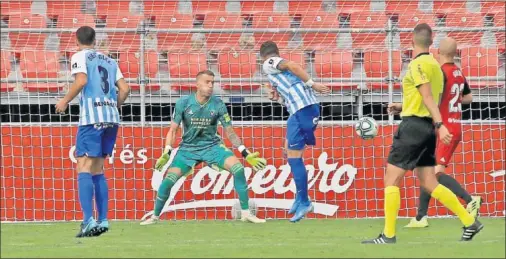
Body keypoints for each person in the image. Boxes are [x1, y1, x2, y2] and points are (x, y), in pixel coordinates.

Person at [361, 24, 483, 244]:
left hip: (415, 128)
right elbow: (429, 98)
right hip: (426, 129)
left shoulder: (417, 65)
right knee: (429, 182)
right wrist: (403, 107)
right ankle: (469, 221)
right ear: (430, 43)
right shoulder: (436, 67)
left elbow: (427, 97)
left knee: (391, 179)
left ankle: (388, 235)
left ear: (411, 42)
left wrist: (440, 124)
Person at [140, 70, 267, 225]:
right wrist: (167, 151)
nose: (211, 85)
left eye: (212, 82)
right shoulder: (184, 103)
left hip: (212, 147)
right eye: (207, 82)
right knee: (168, 182)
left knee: (239, 169)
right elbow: (173, 130)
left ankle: (246, 213)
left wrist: (245, 152)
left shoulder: (218, 103)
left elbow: (230, 132)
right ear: (197, 84)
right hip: (188, 150)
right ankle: (155, 216)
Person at [55, 26, 130, 237]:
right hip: (111, 119)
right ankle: (103, 220)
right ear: (95, 40)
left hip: (92, 119)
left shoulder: (79, 56)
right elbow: (125, 89)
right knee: (98, 169)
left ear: (77, 40)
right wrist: (114, 106)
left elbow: (81, 80)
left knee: (83, 167)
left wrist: (65, 100)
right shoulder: (110, 60)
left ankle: (88, 220)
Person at [404, 37, 482, 228]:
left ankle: (469, 199)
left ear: (438, 52)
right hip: (455, 127)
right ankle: (421, 217)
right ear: (455, 54)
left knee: (434, 173)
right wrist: (453, 102)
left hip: (443, 129)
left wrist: (401, 106)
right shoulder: (458, 72)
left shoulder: (441, 73)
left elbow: (430, 98)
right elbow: (469, 98)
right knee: (428, 169)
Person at [260, 41, 331, 222]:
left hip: (303, 109)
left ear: (264, 56)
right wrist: (276, 98)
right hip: (299, 110)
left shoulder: (269, 63)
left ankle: (304, 201)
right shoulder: (281, 76)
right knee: (288, 151)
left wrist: (312, 83)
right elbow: (288, 94)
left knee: (294, 156)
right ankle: (300, 199)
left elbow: (292, 64)